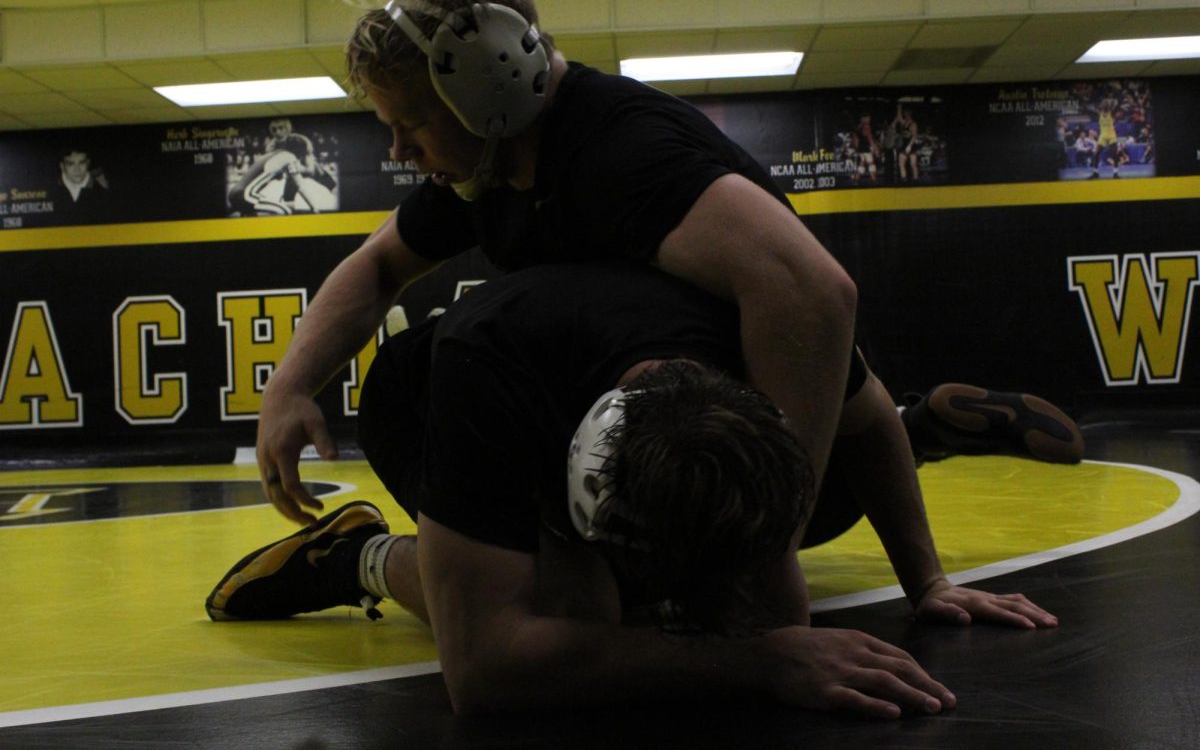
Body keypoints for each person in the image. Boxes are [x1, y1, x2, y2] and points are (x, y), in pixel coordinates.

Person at [211, 263, 1074, 719]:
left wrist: (930, 584)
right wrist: (757, 661)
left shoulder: (773, 323)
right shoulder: (481, 383)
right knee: (578, 615)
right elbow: (485, 675)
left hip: (627, 407)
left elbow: (868, 419)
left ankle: (927, 433)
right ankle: (363, 556)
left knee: (757, 544)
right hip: (438, 399)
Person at [255, 0, 858, 545]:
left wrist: (771, 534)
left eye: (411, 123)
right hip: (682, 458)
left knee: (484, 342)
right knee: (412, 378)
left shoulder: (624, 153)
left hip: (727, 469)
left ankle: (375, 562)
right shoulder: (493, 158)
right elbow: (378, 263)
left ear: (485, 86)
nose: (397, 151)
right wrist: (289, 385)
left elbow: (813, 291)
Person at [52, 147, 109, 220]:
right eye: (70, 164)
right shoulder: (51, 187)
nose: (77, 169)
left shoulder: (102, 190)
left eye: (82, 163)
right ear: (62, 166)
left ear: (88, 163)